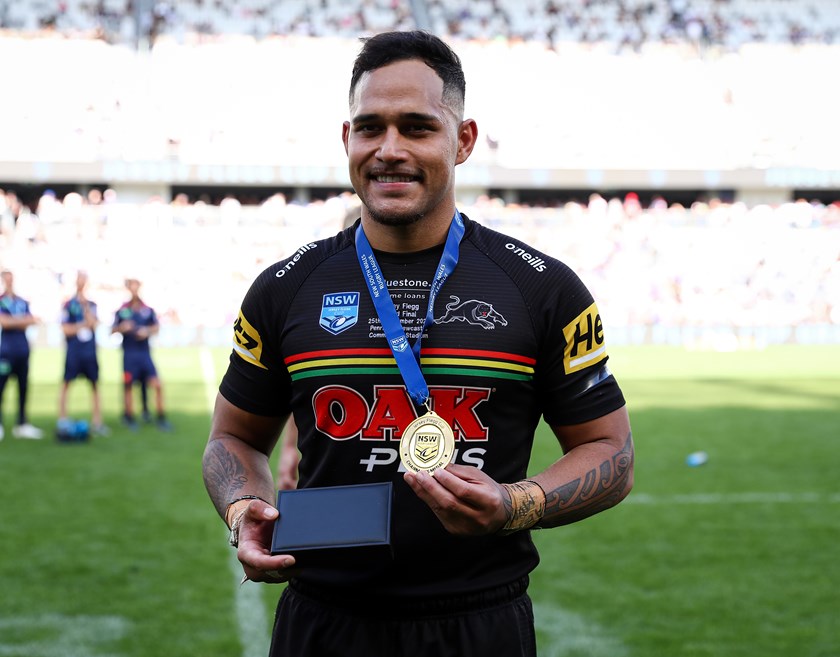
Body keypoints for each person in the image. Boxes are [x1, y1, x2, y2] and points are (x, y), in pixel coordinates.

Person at [202, 30, 633, 657]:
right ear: (346, 139)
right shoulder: (284, 289)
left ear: (462, 141)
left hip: (479, 625)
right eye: (370, 127)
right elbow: (233, 437)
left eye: (417, 127)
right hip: (323, 623)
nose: (389, 150)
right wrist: (245, 509)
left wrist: (519, 503)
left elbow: (610, 449)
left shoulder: (541, 288)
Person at [111, 277, 171, 431]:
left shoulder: (147, 309)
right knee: (128, 385)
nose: (134, 289)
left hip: (145, 354)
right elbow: (112, 330)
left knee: (156, 383)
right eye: (131, 286)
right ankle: (129, 416)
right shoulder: (122, 310)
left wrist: (147, 331)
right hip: (129, 354)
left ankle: (161, 417)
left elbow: (156, 328)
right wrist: (122, 328)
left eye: (136, 286)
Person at [58, 270, 109, 437]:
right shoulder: (68, 305)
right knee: (66, 384)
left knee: (94, 385)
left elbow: (94, 324)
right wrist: (81, 326)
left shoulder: (91, 304)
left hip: (89, 351)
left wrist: (85, 308)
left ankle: (97, 420)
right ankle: (63, 419)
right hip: (74, 351)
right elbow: (66, 329)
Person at [0, 270, 44, 440]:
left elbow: (32, 320)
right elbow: (5, 322)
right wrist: (22, 320)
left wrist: (15, 321)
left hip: (22, 351)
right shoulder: (2, 301)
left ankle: (22, 423)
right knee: (1, 388)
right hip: (5, 353)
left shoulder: (22, 301)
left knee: (23, 388)